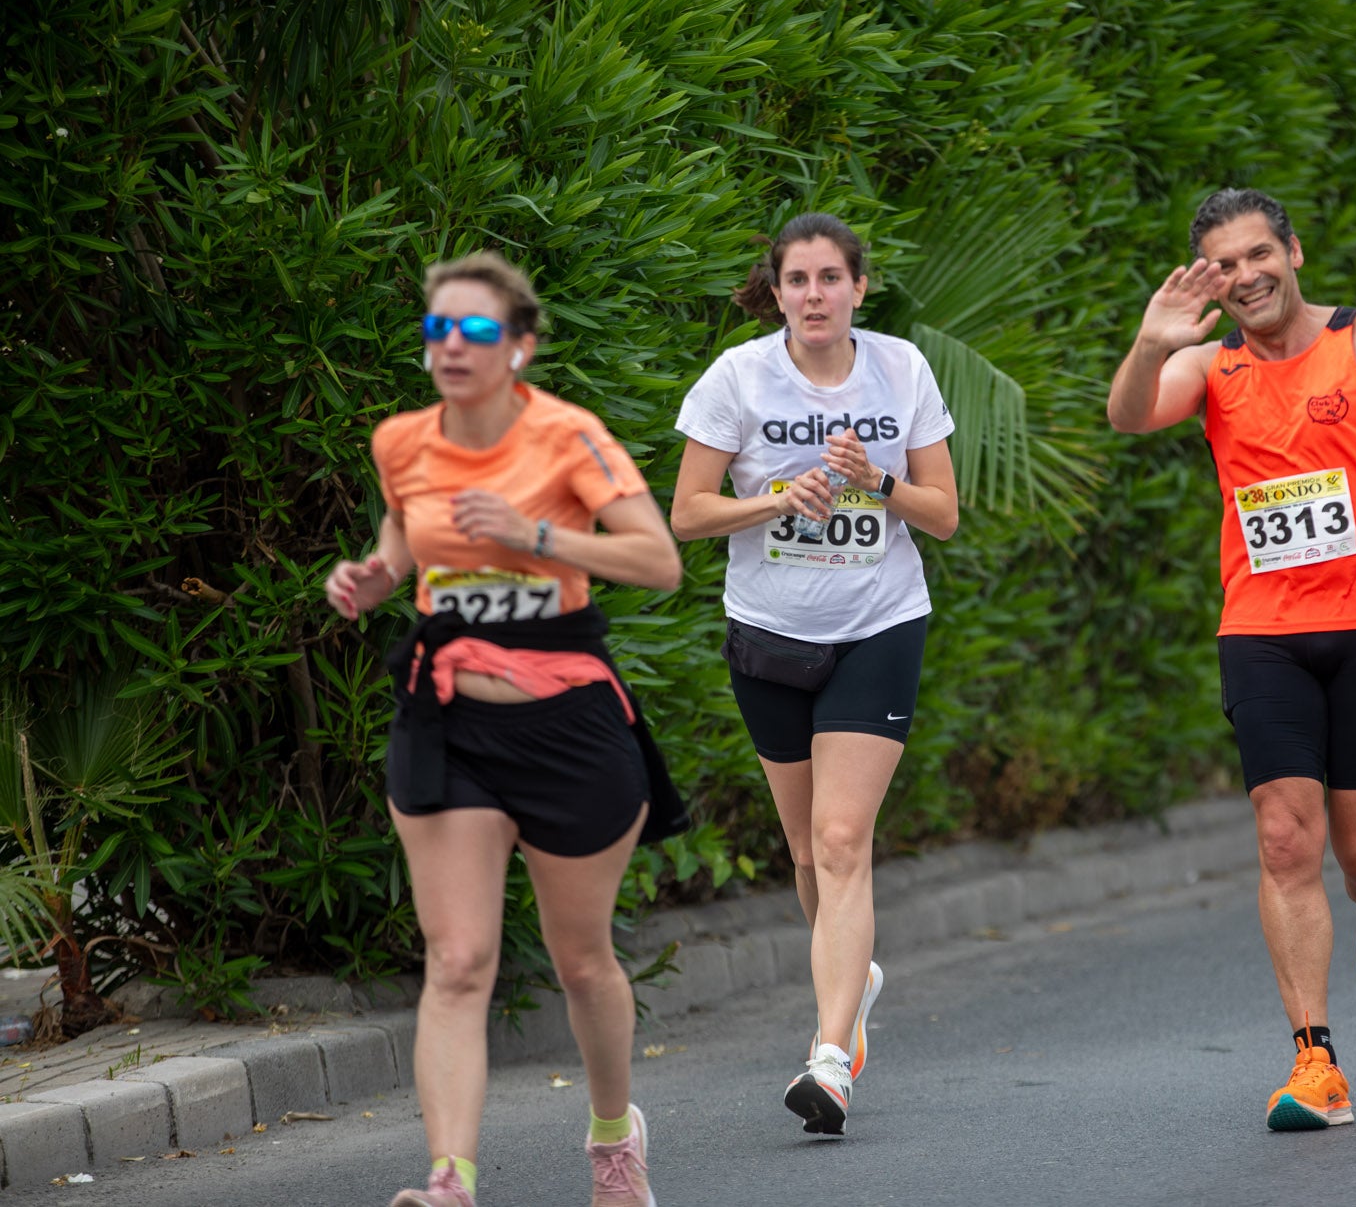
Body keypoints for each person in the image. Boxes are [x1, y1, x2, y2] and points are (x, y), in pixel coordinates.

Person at [1107, 188, 1356, 1132]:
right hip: (1261, 630)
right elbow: (1128, 417)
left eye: (1260, 255)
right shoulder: (1209, 367)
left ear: (1293, 251)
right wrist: (1148, 341)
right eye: (1224, 265)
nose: (1247, 276)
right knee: (1285, 840)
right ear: (1208, 281)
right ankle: (1314, 1063)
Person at [325, 251, 686, 1207]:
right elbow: (407, 535)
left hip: (568, 726)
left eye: (476, 330)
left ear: (518, 346)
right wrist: (375, 574)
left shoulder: (568, 437)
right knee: (457, 961)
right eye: (439, 328)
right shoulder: (401, 440)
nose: (453, 345)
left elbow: (657, 561)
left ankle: (614, 1137)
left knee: (582, 960)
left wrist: (535, 535)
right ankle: (450, 1181)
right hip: (449, 722)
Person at [670, 212, 958, 1136]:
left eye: (832, 278)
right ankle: (854, 977)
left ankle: (830, 1057)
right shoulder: (739, 377)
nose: (815, 295)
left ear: (859, 289)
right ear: (779, 290)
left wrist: (876, 481)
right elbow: (685, 514)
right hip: (771, 633)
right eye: (799, 280)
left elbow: (944, 514)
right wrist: (773, 500)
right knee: (805, 855)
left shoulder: (901, 368)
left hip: (879, 623)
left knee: (841, 840)